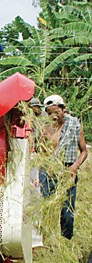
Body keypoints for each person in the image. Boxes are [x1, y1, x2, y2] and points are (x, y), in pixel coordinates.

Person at [39, 94, 88, 239]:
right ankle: (44, 239)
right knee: (44, 207)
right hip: (47, 171)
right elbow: (38, 151)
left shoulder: (74, 125)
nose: (53, 116)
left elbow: (84, 151)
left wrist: (75, 166)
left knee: (67, 211)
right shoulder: (43, 127)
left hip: (68, 171)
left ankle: (65, 240)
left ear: (63, 109)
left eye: (56, 112)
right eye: (49, 113)